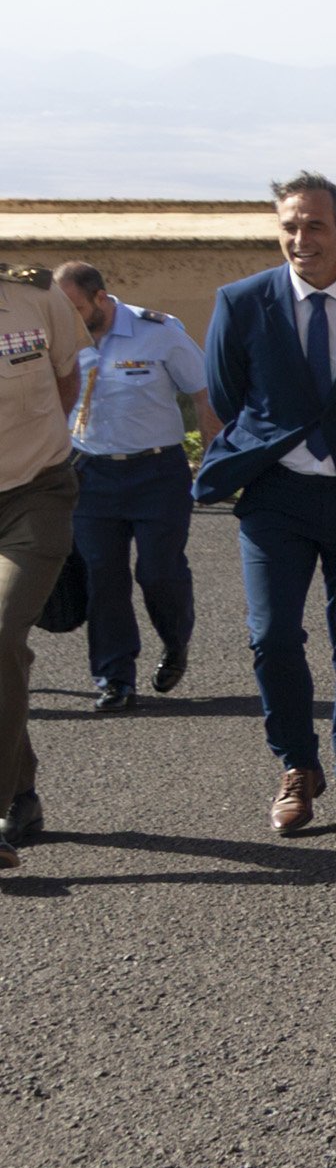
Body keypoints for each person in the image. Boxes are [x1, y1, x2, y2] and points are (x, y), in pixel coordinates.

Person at [193, 173, 336, 835]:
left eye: (315, 225)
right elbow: (229, 396)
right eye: (290, 226)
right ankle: (298, 765)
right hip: (278, 498)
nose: (302, 239)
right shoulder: (241, 303)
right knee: (272, 637)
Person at [56, 261, 219, 710]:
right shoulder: (57, 336)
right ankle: (114, 677)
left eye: (75, 308)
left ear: (101, 299)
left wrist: (212, 461)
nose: (66, 318)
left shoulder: (159, 331)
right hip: (90, 475)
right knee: (102, 576)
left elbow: (204, 391)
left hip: (156, 473)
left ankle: (175, 640)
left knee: (158, 572)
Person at [0, 264, 85, 864]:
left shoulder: (35, 295)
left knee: (0, 631)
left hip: (36, 493)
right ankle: (22, 789)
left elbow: (65, 381)